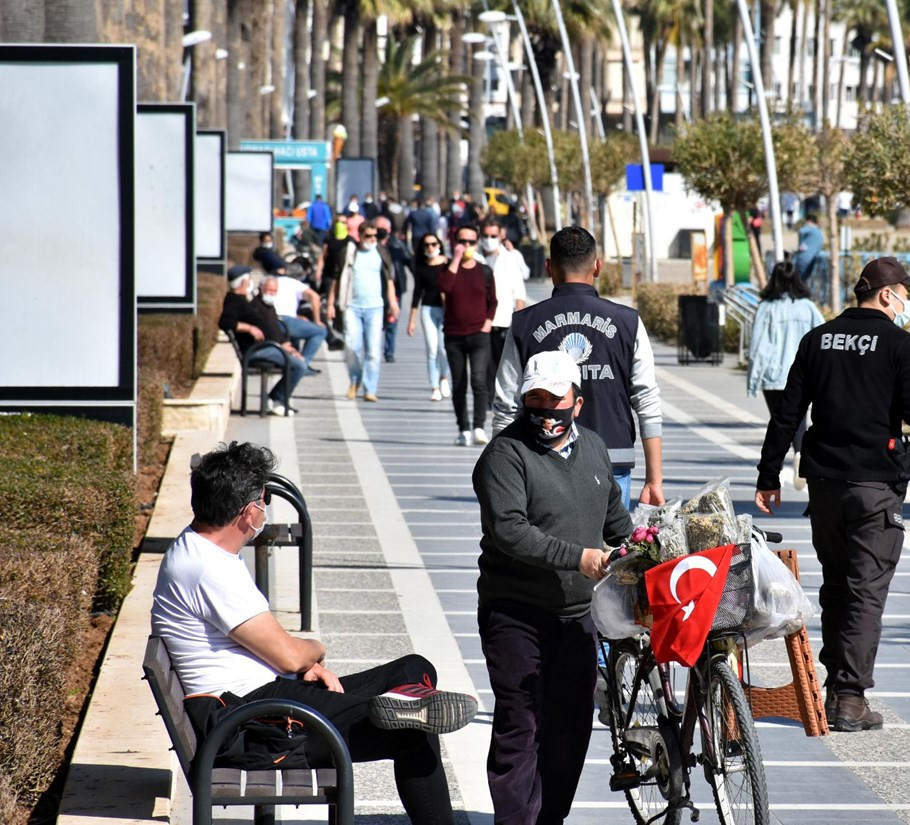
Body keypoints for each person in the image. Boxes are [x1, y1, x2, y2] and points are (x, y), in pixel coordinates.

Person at [150, 441, 477, 825]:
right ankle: (407, 708)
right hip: (251, 722)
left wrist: (304, 664)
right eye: (263, 500)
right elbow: (289, 654)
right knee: (412, 732)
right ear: (247, 512)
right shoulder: (206, 569)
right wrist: (314, 651)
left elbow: (272, 646)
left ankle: (406, 699)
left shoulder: (203, 551)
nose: (264, 509)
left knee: (412, 668)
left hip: (263, 698)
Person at [754, 256, 910, 733]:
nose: (907, 300)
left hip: (827, 485)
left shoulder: (818, 340)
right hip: (875, 486)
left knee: (836, 585)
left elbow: (788, 413)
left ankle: (836, 687)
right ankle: (849, 699)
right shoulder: (899, 343)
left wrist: (768, 475)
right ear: (886, 294)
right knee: (865, 591)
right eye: (904, 291)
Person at [473, 350, 632, 825]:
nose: (545, 410)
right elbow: (510, 530)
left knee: (570, 728)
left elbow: (617, 523)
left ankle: (551, 819)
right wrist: (578, 557)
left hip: (580, 615)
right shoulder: (505, 455)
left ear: (577, 403)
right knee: (520, 725)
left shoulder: (597, 450)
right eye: (534, 399)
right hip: (516, 612)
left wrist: (642, 550)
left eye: (555, 399)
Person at [492, 226, 664, 510]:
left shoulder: (524, 323)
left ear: (549, 267)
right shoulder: (627, 321)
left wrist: (498, 474)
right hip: (612, 460)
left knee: (547, 550)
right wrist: (654, 480)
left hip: (539, 460)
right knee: (609, 552)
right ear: (597, 266)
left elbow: (506, 402)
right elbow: (647, 399)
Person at [746, 261, 825, 490]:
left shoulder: (766, 307)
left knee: (780, 422)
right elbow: (822, 335)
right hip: (801, 371)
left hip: (773, 374)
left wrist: (753, 379)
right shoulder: (807, 307)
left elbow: (757, 346)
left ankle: (775, 469)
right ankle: (800, 452)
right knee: (800, 417)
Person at [326, 220, 399, 402]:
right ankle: (354, 380)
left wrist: (393, 303)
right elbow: (337, 278)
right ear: (359, 236)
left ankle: (370, 388)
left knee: (373, 351)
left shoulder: (380, 252)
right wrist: (330, 304)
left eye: (375, 236)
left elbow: (389, 279)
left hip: (375, 307)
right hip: (352, 306)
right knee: (351, 347)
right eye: (368, 236)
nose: (372, 239)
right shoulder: (349, 252)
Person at [438, 223, 497, 447]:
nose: (467, 246)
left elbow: (493, 300)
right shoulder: (447, 269)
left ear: (477, 242)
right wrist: (455, 259)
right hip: (454, 336)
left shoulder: (484, 270)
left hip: (479, 335)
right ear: (455, 243)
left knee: (479, 381)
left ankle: (479, 426)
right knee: (459, 383)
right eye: (463, 241)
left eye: (471, 242)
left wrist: (488, 323)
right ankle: (463, 428)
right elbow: (445, 287)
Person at [218, 266, 306, 416]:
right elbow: (225, 322)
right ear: (244, 282)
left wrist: (283, 345)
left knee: (297, 362)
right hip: (256, 351)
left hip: (266, 347)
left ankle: (276, 398)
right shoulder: (234, 301)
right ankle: (276, 399)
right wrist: (249, 328)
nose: (251, 282)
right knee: (298, 365)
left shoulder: (242, 300)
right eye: (249, 279)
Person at [479, 218, 527, 406]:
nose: (489, 239)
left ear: (500, 236)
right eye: (486, 235)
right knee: (482, 366)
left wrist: (520, 324)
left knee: (502, 365)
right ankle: (485, 401)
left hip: (503, 320)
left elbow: (519, 292)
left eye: (493, 235)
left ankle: (501, 400)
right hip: (479, 322)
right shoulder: (474, 258)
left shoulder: (509, 259)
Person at [408, 232, 453, 402]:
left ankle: (444, 377)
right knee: (432, 349)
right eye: (426, 245)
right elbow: (417, 293)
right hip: (427, 309)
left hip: (446, 310)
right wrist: (411, 320)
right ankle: (434, 386)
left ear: (439, 245)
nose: (430, 247)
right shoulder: (421, 267)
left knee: (444, 348)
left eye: (433, 244)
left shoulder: (447, 264)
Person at [265, 272, 327, 373]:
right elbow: (315, 297)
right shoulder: (295, 284)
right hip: (284, 321)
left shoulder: (270, 282)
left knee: (298, 324)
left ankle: (291, 362)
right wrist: (317, 321)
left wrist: (298, 317)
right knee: (320, 331)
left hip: (270, 319)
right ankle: (302, 365)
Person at [375, 215, 413, 364]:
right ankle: (373, 349)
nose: (381, 232)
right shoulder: (371, 246)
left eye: (383, 229)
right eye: (379, 229)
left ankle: (389, 351)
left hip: (395, 288)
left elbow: (408, 260)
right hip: (377, 288)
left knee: (392, 319)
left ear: (389, 230)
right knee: (378, 320)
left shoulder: (397, 244)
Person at [794, 213, 824, 282]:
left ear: (809, 221)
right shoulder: (819, 232)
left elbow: (801, 231)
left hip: (803, 259)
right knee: (804, 280)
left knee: (798, 281)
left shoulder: (810, 228)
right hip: (812, 259)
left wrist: (801, 244)